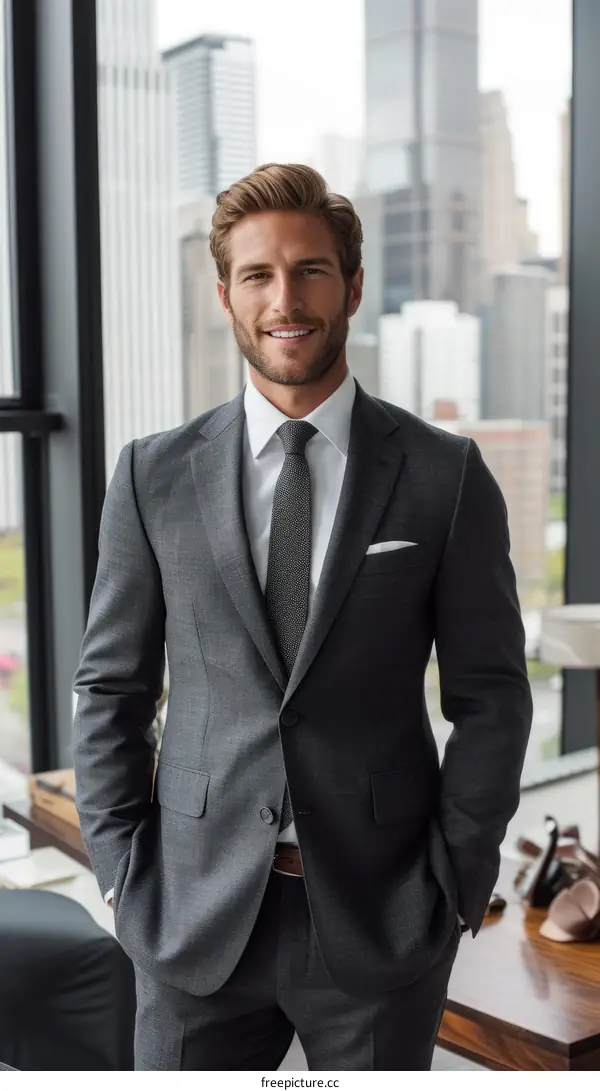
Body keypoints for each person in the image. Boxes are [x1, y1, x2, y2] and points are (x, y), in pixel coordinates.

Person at [72, 163, 533, 1071]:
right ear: (225, 295)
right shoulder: (151, 475)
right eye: (258, 274)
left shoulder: (445, 476)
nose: (286, 299)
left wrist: (454, 880)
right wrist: (124, 872)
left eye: (311, 270)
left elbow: (492, 695)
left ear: (353, 285)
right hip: (192, 919)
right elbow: (110, 686)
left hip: (380, 918)